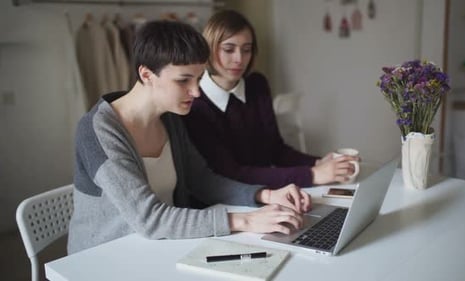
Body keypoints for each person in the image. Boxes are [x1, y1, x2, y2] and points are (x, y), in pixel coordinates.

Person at [68, 20, 311, 254]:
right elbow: (150, 219)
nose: (195, 92)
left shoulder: (170, 117)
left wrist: (265, 195)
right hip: (104, 258)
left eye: (198, 79)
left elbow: (202, 180)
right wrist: (245, 221)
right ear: (146, 75)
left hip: (158, 247)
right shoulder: (98, 131)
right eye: (183, 80)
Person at [183, 10, 359, 188]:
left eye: (246, 50)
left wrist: (319, 163)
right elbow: (231, 173)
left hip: (270, 193)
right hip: (232, 203)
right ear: (209, 49)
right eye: (229, 49)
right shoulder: (197, 104)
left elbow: (276, 150)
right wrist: (312, 175)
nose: (239, 59)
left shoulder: (256, 85)